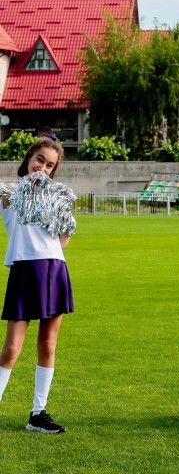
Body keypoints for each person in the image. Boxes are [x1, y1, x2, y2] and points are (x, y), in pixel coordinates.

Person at [0, 138, 74, 433]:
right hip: (24, 269)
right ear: (29, 157)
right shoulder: (8, 192)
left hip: (54, 268)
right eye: (39, 159)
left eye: (49, 165)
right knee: (11, 349)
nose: (42, 167)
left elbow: (63, 241)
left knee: (48, 344)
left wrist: (61, 211)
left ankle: (37, 414)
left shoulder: (56, 196)